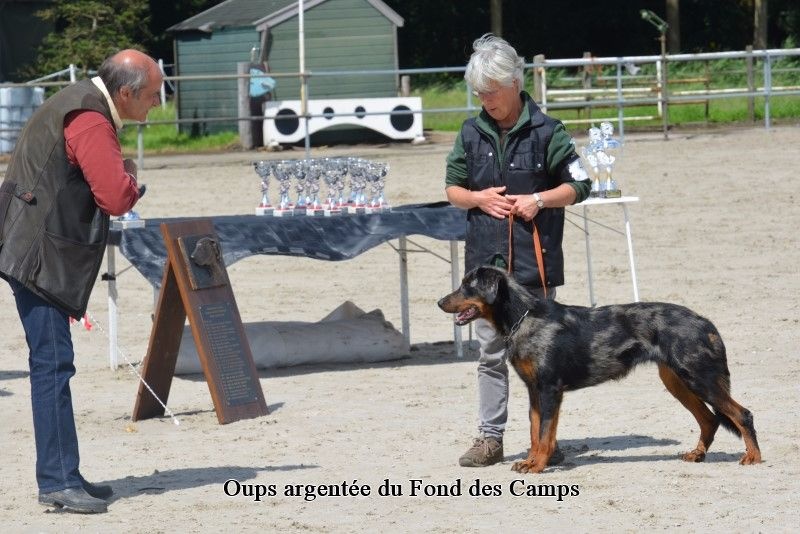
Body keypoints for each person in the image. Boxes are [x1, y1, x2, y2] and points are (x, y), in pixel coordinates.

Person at [0, 49, 162, 513]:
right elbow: (114, 197)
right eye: (152, 96)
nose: (156, 105)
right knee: (52, 366)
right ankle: (57, 482)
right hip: (38, 257)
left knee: (53, 363)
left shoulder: (77, 101)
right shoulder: (90, 118)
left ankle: (64, 473)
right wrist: (131, 178)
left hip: (29, 248)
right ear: (126, 92)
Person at [444, 34, 591, 467]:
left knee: (543, 361)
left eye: (491, 91)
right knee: (490, 354)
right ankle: (490, 439)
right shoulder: (469, 133)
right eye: (479, 93)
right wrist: (477, 199)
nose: (485, 100)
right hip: (487, 269)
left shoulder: (550, 131)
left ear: (513, 84)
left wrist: (540, 199)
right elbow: (452, 188)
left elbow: (581, 184)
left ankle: (545, 443)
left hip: (534, 263)